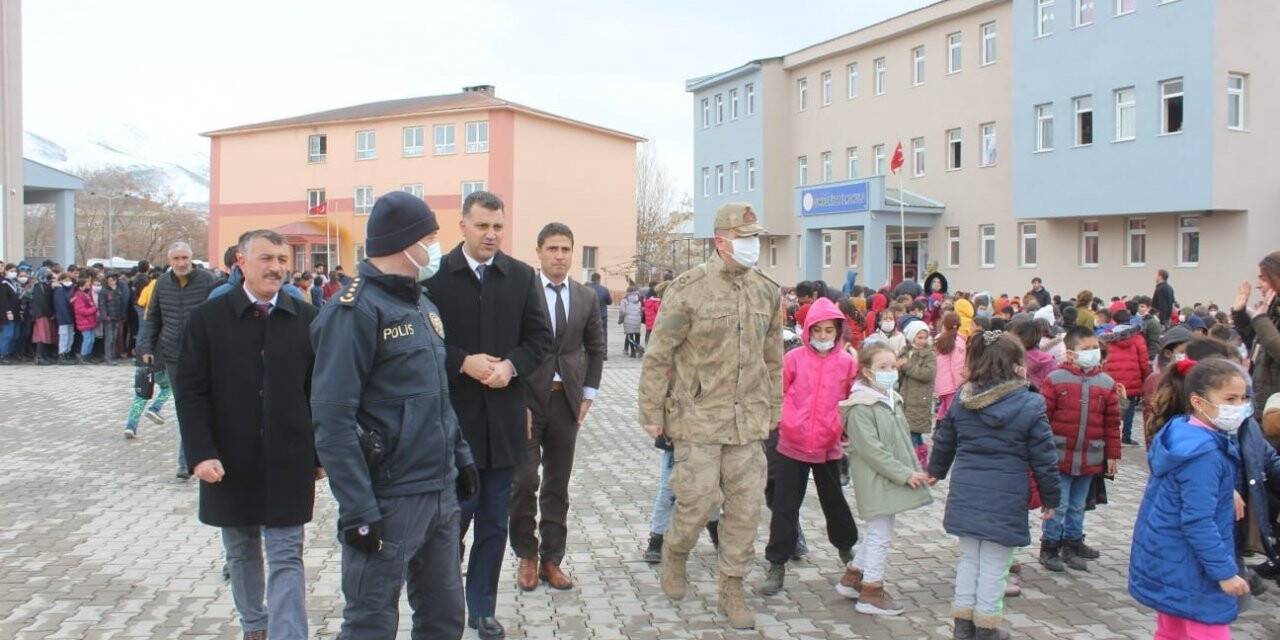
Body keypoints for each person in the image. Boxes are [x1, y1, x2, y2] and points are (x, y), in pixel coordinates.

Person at [312, 192, 480, 639]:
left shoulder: (423, 305)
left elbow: (439, 396)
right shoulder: (354, 311)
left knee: (444, 619)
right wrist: (358, 509)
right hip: (387, 497)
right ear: (404, 243)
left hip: (438, 492)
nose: (435, 248)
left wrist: (461, 458)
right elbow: (332, 420)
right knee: (371, 622)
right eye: (429, 238)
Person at [638, 202, 782, 630]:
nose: (754, 245)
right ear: (722, 242)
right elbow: (658, 353)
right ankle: (676, 552)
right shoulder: (688, 289)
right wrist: (651, 410)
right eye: (746, 238)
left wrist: (775, 406)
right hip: (698, 417)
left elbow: (773, 358)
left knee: (745, 509)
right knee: (697, 502)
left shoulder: (767, 292)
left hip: (748, 420)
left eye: (757, 238)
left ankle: (731, 587)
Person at [174, 230, 320, 640]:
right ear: (240, 261)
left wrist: (320, 453)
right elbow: (190, 392)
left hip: (289, 456)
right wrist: (200, 453)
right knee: (241, 550)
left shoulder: (306, 318)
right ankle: (255, 625)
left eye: (282, 259)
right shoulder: (207, 319)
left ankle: (288, 634)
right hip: (228, 459)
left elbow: (318, 391)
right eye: (266, 258)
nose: (277, 267)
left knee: (287, 553)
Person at [426, 190, 552, 640]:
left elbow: (540, 338)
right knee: (449, 526)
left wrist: (510, 366)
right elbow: (420, 342)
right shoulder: (434, 278)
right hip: (450, 425)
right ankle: (443, 610)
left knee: (494, 525)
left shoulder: (519, 276)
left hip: (502, 425)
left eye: (498, 226)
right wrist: (462, 361)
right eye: (482, 225)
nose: (491, 234)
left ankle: (482, 609)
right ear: (462, 226)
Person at [928, 331, 1061, 640]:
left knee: (969, 560)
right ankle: (986, 629)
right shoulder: (1030, 404)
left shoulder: (964, 398)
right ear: (1015, 365)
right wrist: (1051, 498)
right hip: (1006, 497)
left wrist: (935, 471)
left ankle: (963, 626)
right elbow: (1045, 458)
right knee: (995, 567)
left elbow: (945, 439)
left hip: (967, 493)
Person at [509, 223, 605, 592]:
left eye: (566, 249)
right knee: (523, 481)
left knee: (557, 485)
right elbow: (509, 345)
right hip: (528, 402)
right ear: (539, 251)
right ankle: (526, 556)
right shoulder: (523, 292)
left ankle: (552, 560)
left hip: (567, 402)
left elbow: (596, 349)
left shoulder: (584, 297)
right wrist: (515, 399)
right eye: (553, 249)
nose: (560, 256)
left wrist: (589, 394)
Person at [1129, 359, 1251, 638]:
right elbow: (1198, 520)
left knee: (1171, 631)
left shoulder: (1183, 431)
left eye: (1243, 398)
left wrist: (1225, 489)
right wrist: (1224, 572)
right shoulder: (1205, 452)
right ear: (1198, 401)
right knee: (1207, 630)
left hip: (1172, 559)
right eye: (1230, 399)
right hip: (1196, 567)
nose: (1239, 406)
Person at [758, 297, 858, 596]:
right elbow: (778, 393)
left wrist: (845, 430)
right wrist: (779, 423)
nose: (824, 336)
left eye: (830, 331)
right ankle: (777, 565)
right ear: (809, 331)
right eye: (819, 330)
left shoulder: (847, 362)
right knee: (784, 507)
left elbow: (851, 400)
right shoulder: (794, 359)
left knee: (835, 504)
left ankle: (847, 554)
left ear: (838, 331)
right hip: (792, 443)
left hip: (828, 445)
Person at [837, 342, 933, 617]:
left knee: (879, 529)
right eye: (882, 367)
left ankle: (853, 577)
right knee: (880, 534)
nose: (890, 371)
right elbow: (873, 451)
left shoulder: (890, 398)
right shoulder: (860, 406)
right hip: (875, 479)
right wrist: (905, 474)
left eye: (892, 366)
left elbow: (901, 440)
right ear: (867, 372)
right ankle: (871, 591)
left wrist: (913, 468)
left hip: (888, 477)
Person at [1036, 326, 1120, 574]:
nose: (1093, 353)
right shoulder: (1056, 379)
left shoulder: (1106, 383)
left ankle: (1072, 544)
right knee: (1058, 504)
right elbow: (1043, 418)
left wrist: (1112, 454)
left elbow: (1112, 422)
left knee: (1078, 504)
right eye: (1086, 349)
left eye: (1095, 348)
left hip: (1090, 455)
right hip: (1059, 455)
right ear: (1071, 354)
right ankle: (1049, 546)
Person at [140, 242, 219, 479]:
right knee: (185, 406)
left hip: (204, 353)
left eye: (185, 257)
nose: (181, 263)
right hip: (173, 354)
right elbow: (152, 317)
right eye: (176, 259)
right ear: (169, 260)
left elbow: (217, 316)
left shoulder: (207, 280)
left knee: (206, 406)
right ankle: (186, 463)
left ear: (192, 258)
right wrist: (146, 347)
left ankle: (201, 457)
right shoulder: (162, 284)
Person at [1233, 252, 1280, 430]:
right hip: (1263, 404)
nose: (1258, 285)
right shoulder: (1271, 310)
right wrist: (1240, 313)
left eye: (1264, 278)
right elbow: (1256, 344)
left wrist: (1260, 319)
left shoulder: (1268, 314)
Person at [1101, 313, 1152, 446]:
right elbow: (1144, 362)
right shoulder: (1138, 338)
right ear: (1129, 320)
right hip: (1133, 378)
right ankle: (1126, 436)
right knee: (1129, 409)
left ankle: (1110, 434)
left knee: (1110, 407)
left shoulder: (1107, 337)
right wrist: (1146, 377)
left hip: (1111, 378)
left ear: (1114, 320)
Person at [900, 321, 937, 469]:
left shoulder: (929, 355)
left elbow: (928, 374)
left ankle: (914, 463)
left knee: (912, 432)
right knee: (912, 432)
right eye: (919, 337)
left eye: (924, 337)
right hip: (905, 398)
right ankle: (920, 457)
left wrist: (907, 365)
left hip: (919, 400)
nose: (922, 341)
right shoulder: (905, 351)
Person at [934, 312, 967, 420]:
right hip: (951, 384)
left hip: (940, 381)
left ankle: (938, 429)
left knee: (944, 408)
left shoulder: (939, 339)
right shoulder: (958, 342)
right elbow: (957, 366)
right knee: (952, 412)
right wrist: (960, 384)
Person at [99, 272, 128, 364]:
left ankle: (112, 356)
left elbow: (121, 304)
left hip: (117, 317)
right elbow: (102, 305)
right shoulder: (103, 291)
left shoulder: (118, 289)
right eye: (110, 280)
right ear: (107, 280)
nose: (112, 282)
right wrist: (105, 316)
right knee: (109, 338)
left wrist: (122, 315)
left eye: (114, 280)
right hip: (108, 318)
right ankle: (108, 358)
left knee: (114, 338)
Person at [70, 276, 99, 364]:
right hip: (84, 321)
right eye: (87, 284)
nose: (89, 285)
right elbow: (81, 310)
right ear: (82, 285)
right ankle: (83, 357)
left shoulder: (86, 294)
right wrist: (94, 309)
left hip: (89, 321)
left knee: (92, 339)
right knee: (87, 339)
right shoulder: (78, 295)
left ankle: (88, 356)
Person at [587, 272, 612, 360]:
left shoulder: (586, 288)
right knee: (603, 334)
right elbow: (609, 302)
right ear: (599, 279)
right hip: (602, 315)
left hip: (589, 316)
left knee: (588, 334)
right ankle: (604, 354)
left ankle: (589, 353)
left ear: (592, 279)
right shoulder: (604, 289)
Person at [53, 272, 76, 364]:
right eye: (65, 280)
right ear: (61, 280)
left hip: (71, 316)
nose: (67, 281)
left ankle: (67, 353)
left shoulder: (72, 289)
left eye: (69, 280)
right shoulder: (59, 290)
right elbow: (60, 305)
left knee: (70, 336)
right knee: (64, 336)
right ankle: (61, 354)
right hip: (63, 317)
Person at [619, 286, 644, 357]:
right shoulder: (638, 300)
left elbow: (622, 311)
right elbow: (641, 311)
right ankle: (636, 351)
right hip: (637, 319)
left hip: (628, 320)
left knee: (630, 337)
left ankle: (634, 351)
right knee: (637, 334)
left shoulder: (624, 300)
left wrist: (620, 320)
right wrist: (640, 318)